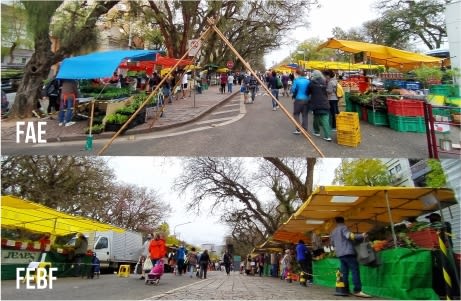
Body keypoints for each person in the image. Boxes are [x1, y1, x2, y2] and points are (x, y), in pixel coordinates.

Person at [330, 216, 371, 298]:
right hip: (348, 253)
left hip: (340, 254)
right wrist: (361, 235)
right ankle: (357, 290)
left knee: (344, 273)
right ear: (343, 221)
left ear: (336, 222)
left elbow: (332, 243)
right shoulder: (343, 227)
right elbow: (350, 236)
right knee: (355, 271)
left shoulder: (333, 231)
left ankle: (345, 290)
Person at [308, 70, 331, 141]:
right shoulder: (325, 81)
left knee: (317, 117)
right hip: (325, 102)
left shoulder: (311, 83)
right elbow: (327, 91)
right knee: (325, 119)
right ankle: (327, 136)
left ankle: (317, 132)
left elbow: (308, 91)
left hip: (316, 103)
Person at [291, 68, 310, 135]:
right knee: (305, 115)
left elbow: (292, 90)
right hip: (306, 99)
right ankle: (305, 129)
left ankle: (298, 129)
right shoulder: (308, 81)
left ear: (297, 74)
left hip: (298, 99)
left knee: (296, 114)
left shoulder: (296, 80)